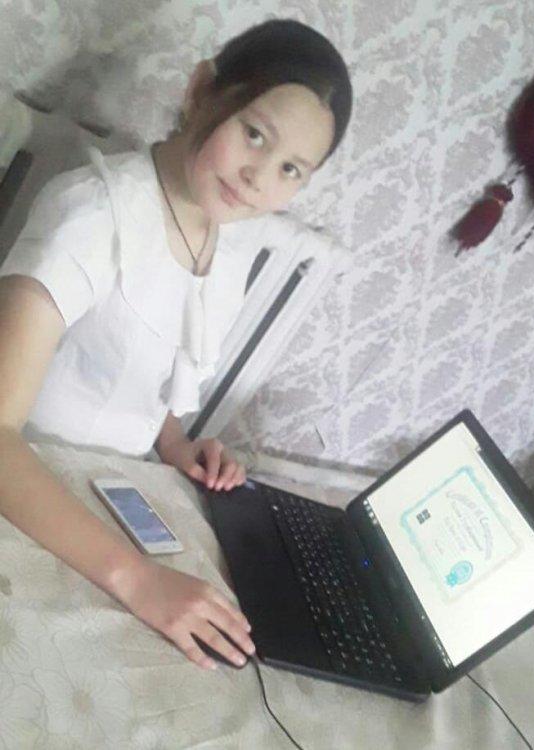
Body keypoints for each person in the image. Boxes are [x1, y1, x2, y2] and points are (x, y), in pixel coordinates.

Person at [0, 19, 352, 670]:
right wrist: (138, 581)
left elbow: (122, 364)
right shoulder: (91, 216)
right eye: (254, 134)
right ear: (200, 90)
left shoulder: (226, 238)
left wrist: (174, 443)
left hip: (105, 496)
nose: (258, 178)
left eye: (290, 169)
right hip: (27, 496)